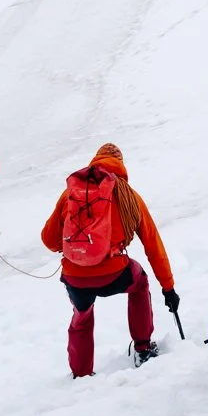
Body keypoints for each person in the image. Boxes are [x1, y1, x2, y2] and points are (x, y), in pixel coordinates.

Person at [41, 143, 179, 378]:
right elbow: (153, 245)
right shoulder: (129, 195)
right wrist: (168, 288)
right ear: (121, 165)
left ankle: (81, 374)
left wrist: (78, 249)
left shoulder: (71, 194)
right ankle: (143, 348)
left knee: (81, 316)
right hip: (114, 273)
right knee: (139, 282)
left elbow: (49, 239)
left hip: (76, 277)